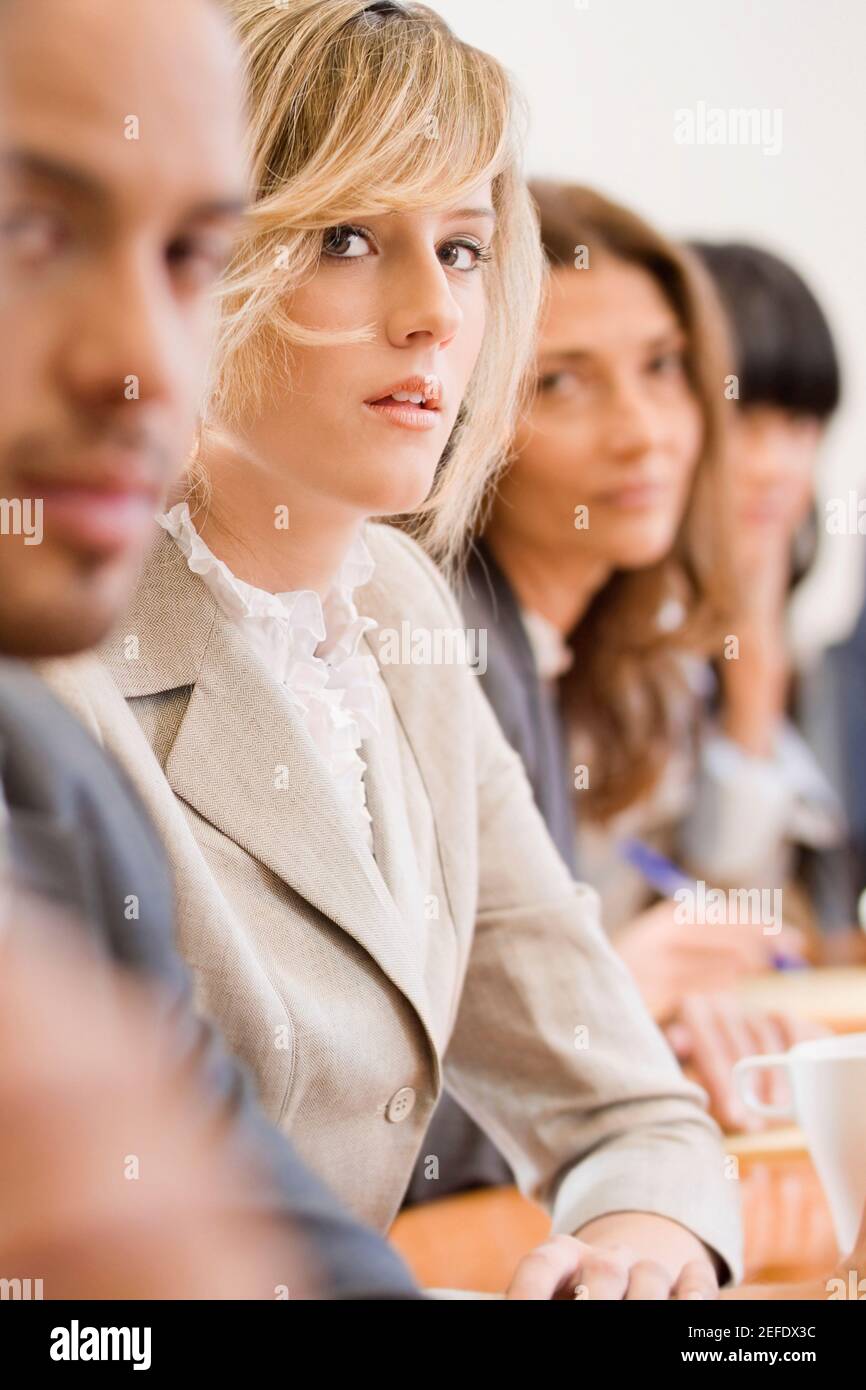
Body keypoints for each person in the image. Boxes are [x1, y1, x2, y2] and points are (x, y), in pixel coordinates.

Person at [42, 0, 742, 1299]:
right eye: (348, 236)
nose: (432, 314)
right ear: (198, 252)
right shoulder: (57, 668)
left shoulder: (400, 607)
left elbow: (622, 1102)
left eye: (465, 249)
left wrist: (639, 1252)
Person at [0, 0, 420, 1300]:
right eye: (25, 230)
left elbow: (295, 1253)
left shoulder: (47, 785)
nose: (143, 365)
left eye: (191, 254)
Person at [404, 186, 821, 1207]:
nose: (646, 432)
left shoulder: (560, 648)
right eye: (563, 384)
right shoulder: (437, 643)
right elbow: (387, 1109)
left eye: (662, 368)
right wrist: (608, 1000)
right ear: (467, 414)